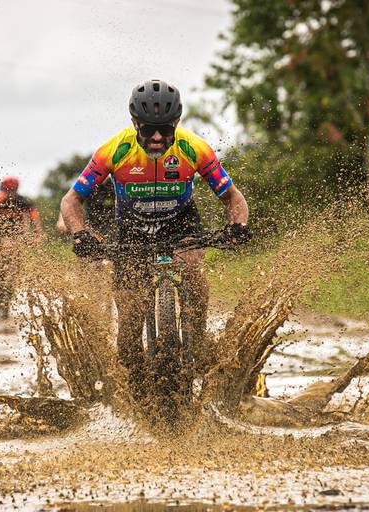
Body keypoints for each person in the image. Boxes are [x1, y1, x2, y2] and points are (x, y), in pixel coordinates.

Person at [59, 79, 251, 395]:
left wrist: (238, 226)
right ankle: (136, 393)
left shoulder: (194, 148)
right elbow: (70, 201)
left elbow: (232, 197)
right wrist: (80, 236)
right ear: (135, 123)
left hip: (181, 224)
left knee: (192, 270)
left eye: (165, 129)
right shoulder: (114, 150)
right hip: (131, 229)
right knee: (129, 327)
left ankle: (197, 338)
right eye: (149, 130)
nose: (158, 138)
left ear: (177, 122)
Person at [0, 176, 42, 320]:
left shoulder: (24, 202)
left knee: (11, 278)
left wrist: (37, 236)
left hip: (15, 242)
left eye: (11, 191)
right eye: (7, 190)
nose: (9, 194)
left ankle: (5, 309)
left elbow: (35, 221)